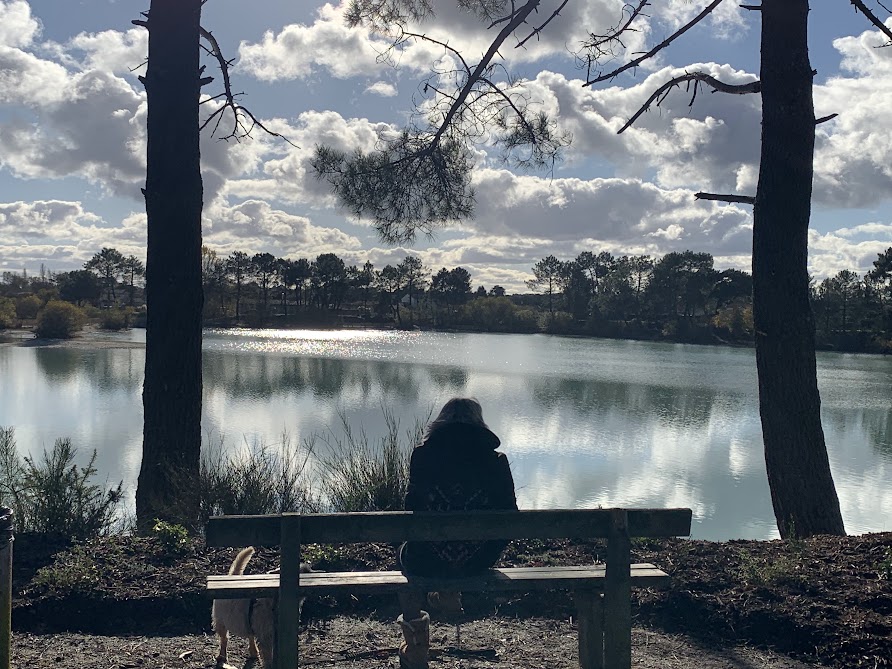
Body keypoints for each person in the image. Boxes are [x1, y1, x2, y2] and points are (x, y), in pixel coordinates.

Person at [396, 397, 517, 669]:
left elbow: (411, 511)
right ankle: (448, 594)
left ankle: (416, 647)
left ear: (440, 422)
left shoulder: (423, 456)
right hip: (476, 562)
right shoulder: (496, 461)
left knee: (404, 556)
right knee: (432, 555)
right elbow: (511, 518)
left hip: (425, 560)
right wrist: (482, 550)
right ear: (480, 424)